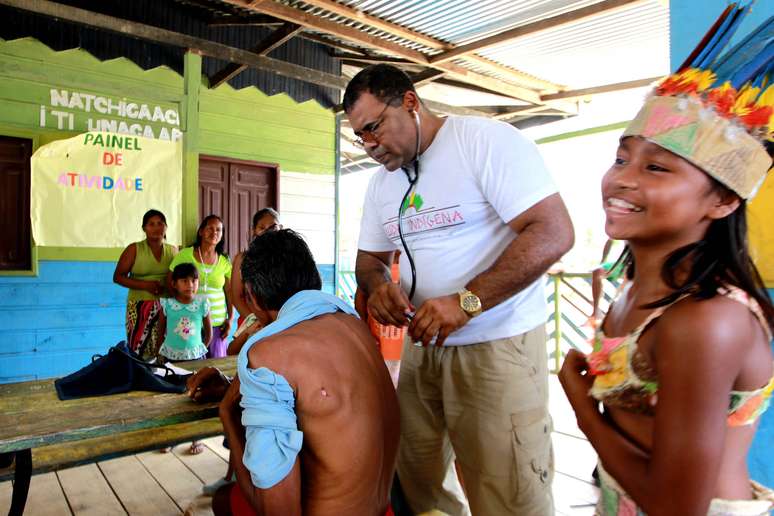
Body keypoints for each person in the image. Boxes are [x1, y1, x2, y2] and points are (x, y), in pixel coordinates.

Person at [559, 7, 774, 514]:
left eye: (656, 166)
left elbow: (679, 506)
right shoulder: (637, 285)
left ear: (721, 202)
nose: (622, 179)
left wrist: (580, 401)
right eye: (621, 157)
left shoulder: (707, 320)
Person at [343, 64, 574, 515]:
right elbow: (369, 263)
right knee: (416, 479)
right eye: (360, 136)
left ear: (410, 102)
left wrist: (468, 303)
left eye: (374, 128)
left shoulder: (483, 143)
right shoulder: (381, 184)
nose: (369, 146)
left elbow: (553, 232)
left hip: (497, 347)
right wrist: (377, 289)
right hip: (422, 348)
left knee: (507, 489)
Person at [187, 229, 400, 515]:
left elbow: (278, 509)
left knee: (224, 501)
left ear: (252, 296)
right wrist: (231, 387)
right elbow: (319, 397)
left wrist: (229, 413)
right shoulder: (354, 326)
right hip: (384, 508)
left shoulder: (267, 353)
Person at [159, 262, 212, 455]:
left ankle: (196, 437)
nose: (190, 284)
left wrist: (201, 349)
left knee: (195, 394)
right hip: (171, 357)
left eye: (194, 280)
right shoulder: (168, 305)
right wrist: (160, 352)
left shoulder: (202, 304)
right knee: (173, 396)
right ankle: (173, 437)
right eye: (184, 280)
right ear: (174, 284)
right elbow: (160, 330)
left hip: (196, 357)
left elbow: (208, 332)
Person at [113, 209, 177, 361]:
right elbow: (118, 277)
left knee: (164, 351)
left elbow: (178, 278)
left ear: (166, 227)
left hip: (166, 307)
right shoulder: (134, 249)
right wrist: (145, 285)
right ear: (144, 228)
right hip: (139, 307)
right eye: (151, 224)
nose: (156, 228)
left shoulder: (173, 251)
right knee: (139, 350)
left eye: (160, 224)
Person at [169, 214, 233, 358]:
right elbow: (171, 283)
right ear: (201, 232)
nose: (214, 232)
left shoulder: (224, 261)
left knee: (217, 368)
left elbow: (229, 292)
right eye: (210, 228)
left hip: (218, 323)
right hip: (191, 322)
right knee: (193, 365)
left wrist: (230, 319)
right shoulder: (185, 255)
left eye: (219, 230)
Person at [228, 207, 282, 356]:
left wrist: (276, 322)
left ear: (281, 228)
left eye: (273, 227)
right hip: (251, 320)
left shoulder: (286, 259)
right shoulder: (242, 259)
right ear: (254, 230)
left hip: (280, 322)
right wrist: (257, 320)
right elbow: (237, 296)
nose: (267, 232)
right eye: (262, 228)